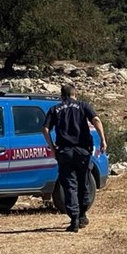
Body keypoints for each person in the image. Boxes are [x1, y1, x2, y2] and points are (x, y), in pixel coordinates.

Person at [42, 83, 106, 232]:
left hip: (65, 152)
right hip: (82, 151)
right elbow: (96, 120)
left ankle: (74, 219)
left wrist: (52, 147)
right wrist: (103, 139)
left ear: (62, 96)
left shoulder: (55, 109)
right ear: (75, 94)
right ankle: (82, 215)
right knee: (84, 182)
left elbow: (45, 129)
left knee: (69, 185)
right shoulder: (83, 106)